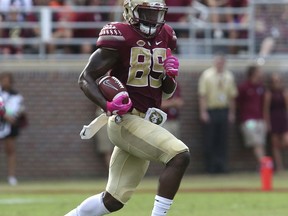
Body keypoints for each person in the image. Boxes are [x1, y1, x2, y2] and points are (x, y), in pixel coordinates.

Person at [65, 0, 190, 216]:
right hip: (126, 120)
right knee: (179, 155)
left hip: (146, 121)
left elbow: (165, 91)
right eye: (146, 13)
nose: (153, 20)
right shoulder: (121, 36)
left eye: (157, 14)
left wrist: (170, 76)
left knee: (113, 200)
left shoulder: (166, 35)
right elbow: (86, 77)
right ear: (131, 11)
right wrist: (106, 105)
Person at [198, 53, 237, 174]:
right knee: (210, 140)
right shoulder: (207, 75)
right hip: (211, 110)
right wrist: (203, 112)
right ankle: (210, 167)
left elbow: (232, 97)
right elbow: (202, 95)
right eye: (218, 62)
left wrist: (231, 113)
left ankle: (222, 166)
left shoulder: (229, 76)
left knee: (223, 140)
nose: (220, 64)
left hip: (223, 110)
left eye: (222, 62)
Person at [237, 65, 266, 168]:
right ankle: (265, 165)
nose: (261, 73)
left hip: (259, 119)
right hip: (248, 120)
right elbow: (238, 102)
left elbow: (263, 103)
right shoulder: (244, 87)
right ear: (253, 73)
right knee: (256, 142)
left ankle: (263, 164)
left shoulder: (261, 87)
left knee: (261, 143)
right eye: (259, 71)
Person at [0, 72, 26, 186]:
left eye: (7, 79)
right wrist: (4, 115)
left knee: (10, 150)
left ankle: (11, 176)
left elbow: (19, 108)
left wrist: (13, 116)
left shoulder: (16, 95)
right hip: (2, 121)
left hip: (10, 126)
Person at [263, 73, 288, 172]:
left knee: (286, 141)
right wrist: (267, 123)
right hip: (274, 118)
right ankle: (279, 167)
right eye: (275, 81)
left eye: (278, 81)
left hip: (283, 118)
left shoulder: (284, 92)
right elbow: (266, 110)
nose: (277, 83)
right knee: (275, 145)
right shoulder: (269, 94)